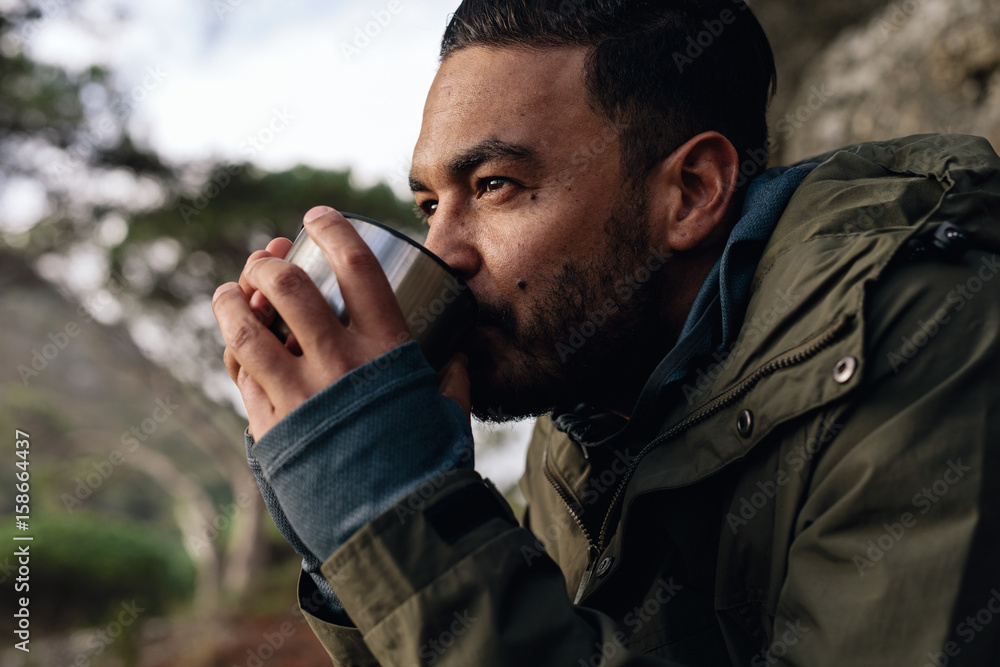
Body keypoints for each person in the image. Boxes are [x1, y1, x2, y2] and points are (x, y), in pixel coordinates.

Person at [212, 1, 1000, 664]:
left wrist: (392, 513)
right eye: (427, 205)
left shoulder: (929, 334)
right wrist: (352, 546)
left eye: (494, 187)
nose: (443, 252)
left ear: (691, 192)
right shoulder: (581, 412)